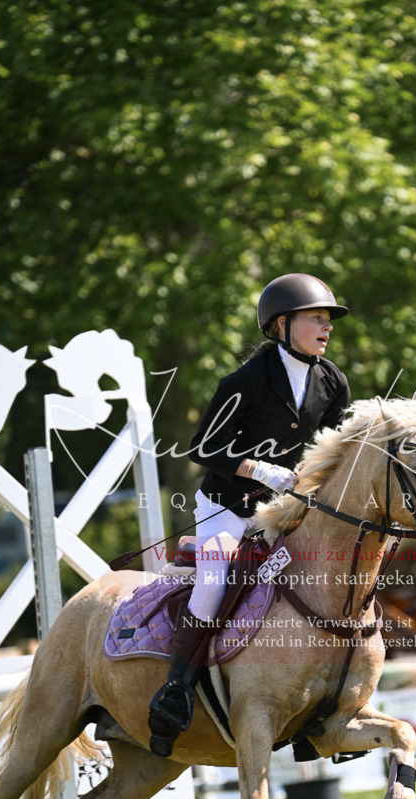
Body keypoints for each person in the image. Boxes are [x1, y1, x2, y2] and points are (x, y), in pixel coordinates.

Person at [148, 273, 351, 755]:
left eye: (329, 321)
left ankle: (315, 706)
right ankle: (176, 687)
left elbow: (334, 450)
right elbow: (202, 447)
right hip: (227, 508)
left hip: (283, 510)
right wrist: (261, 469)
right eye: (316, 319)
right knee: (217, 578)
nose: (327, 328)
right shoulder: (245, 382)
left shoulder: (332, 382)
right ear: (282, 325)